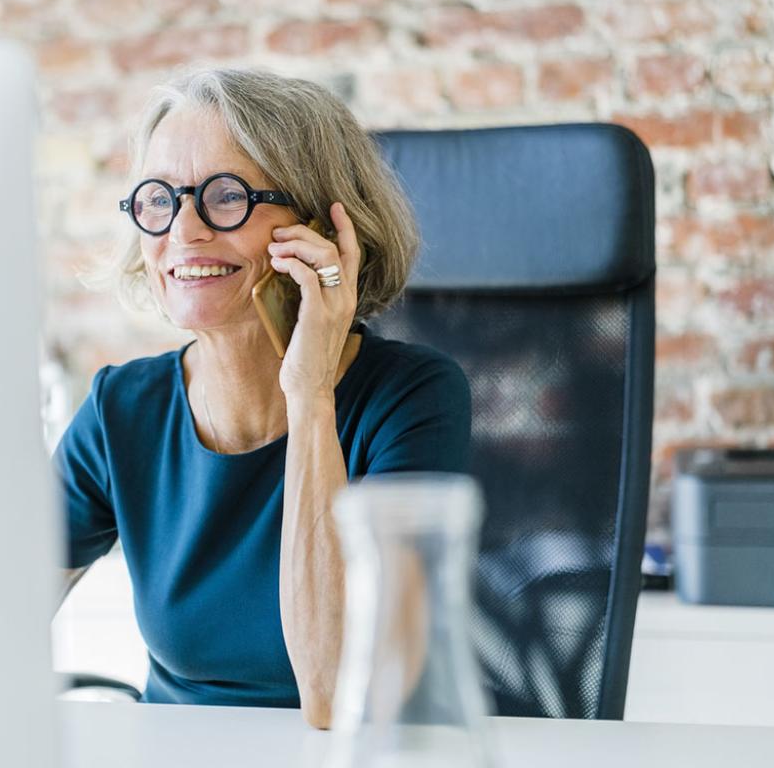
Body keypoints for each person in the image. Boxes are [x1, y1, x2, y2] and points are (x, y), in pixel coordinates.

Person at [53, 68, 470, 729]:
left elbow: (335, 696)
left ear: (324, 228)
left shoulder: (411, 398)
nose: (183, 232)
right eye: (159, 199)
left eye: (226, 196)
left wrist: (309, 394)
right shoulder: (120, 411)